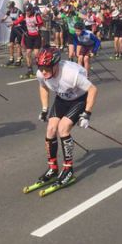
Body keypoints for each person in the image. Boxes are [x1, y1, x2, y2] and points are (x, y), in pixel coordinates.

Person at [34, 47, 97, 190]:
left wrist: (87, 114)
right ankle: (53, 168)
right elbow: (43, 87)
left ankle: (68, 169)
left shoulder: (70, 74)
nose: (44, 71)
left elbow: (93, 90)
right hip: (62, 98)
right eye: (41, 68)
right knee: (51, 129)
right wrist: (44, 109)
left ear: (56, 65)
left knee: (63, 128)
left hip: (79, 99)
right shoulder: (41, 73)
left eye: (47, 68)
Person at [15, 4, 44, 78]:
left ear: (31, 10)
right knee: (28, 53)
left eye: (28, 11)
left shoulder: (36, 15)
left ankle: (41, 70)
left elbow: (41, 22)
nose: (27, 12)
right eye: (26, 11)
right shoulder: (24, 15)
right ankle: (30, 70)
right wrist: (13, 24)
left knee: (36, 54)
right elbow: (18, 20)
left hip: (37, 36)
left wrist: (37, 24)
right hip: (29, 36)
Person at [1, 1, 23, 66]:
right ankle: (11, 59)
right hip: (13, 28)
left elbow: (21, 19)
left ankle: (18, 59)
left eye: (10, 7)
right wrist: (2, 20)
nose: (9, 9)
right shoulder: (9, 11)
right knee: (11, 44)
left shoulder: (18, 11)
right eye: (8, 8)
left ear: (13, 6)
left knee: (18, 45)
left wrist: (15, 22)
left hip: (19, 28)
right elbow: (5, 17)